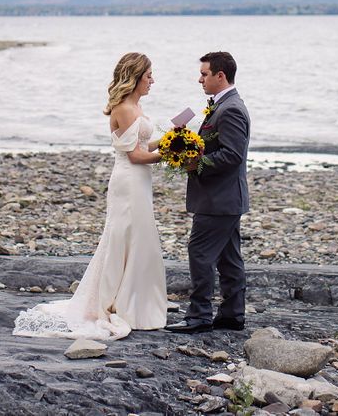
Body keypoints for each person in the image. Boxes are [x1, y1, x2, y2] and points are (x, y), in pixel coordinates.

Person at [13, 52, 167, 340]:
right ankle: (119, 303)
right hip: (129, 181)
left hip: (140, 183)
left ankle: (136, 302)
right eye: (148, 76)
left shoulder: (136, 105)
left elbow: (143, 142)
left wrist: (171, 139)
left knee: (140, 239)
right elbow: (135, 155)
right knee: (126, 237)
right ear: (134, 77)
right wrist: (169, 154)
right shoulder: (123, 108)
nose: (152, 80)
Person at [166, 51, 250, 334]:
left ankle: (200, 314)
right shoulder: (223, 105)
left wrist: (196, 161)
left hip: (219, 199)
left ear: (220, 75)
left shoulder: (232, 109)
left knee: (199, 252)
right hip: (225, 198)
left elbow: (233, 155)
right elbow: (216, 145)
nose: (199, 79)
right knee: (229, 257)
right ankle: (232, 314)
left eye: (204, 74)